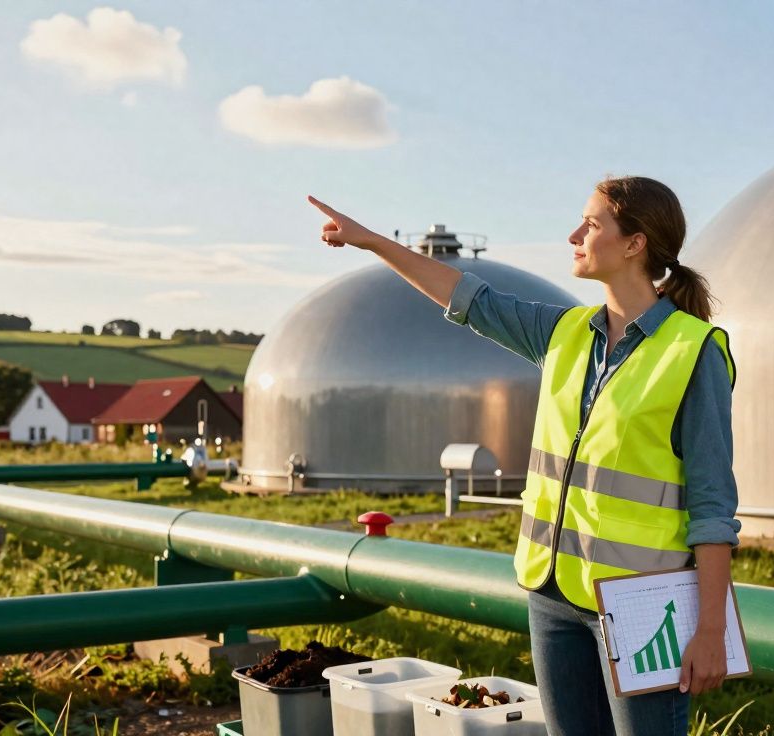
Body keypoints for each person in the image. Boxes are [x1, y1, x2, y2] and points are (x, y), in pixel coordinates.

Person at [307, 175, 738, 736]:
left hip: (640, 607)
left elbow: (712, 504)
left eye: (592, 223)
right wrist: (373, 242)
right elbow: (468, 298)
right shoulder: (564, 333)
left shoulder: (693, 352)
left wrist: (709, 630)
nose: (574, 234)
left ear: (634, 244)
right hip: (553, 597)